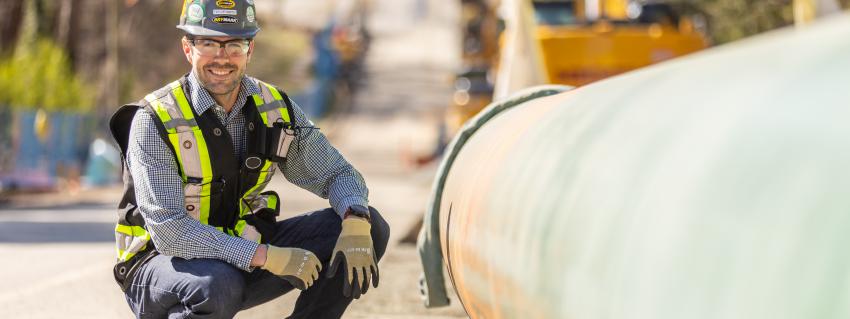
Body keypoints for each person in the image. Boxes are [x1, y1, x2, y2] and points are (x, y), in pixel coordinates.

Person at [107, 1, 390, 318]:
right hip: (158, 266)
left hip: (240, 248)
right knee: (217, 286)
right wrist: (265, 256)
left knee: (370, 226)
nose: (222, 57)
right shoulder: (155, 119)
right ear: (188, 48)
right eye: (209, 43)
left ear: (250, 48)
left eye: (234, 45)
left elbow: (336, 173)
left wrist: (354, 219)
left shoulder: (274, 107)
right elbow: (172, 233)